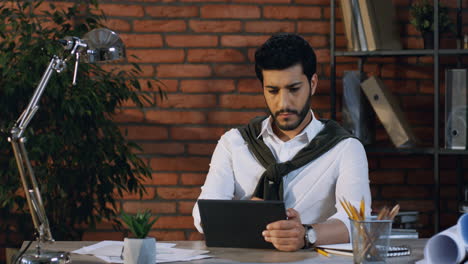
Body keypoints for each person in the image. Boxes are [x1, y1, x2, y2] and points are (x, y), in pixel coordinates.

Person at [192, 33, 371, 252]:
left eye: (294, 89)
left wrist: (307, 234)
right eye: (273, 91)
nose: (283, 103)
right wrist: (244, 213)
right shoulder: (234, 143)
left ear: (312, 84)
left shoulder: (345, 148)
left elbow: (358, 221)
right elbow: (202, 216)